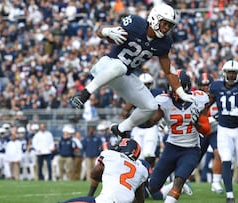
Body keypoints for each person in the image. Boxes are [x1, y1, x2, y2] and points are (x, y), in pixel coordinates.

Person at [70, 4, 196, 139]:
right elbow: (100, 32)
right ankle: (84, 93)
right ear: (154, 18)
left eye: (169, 26)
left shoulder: (164, 43)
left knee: (151, 106)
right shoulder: (135, 24)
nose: (166, 28)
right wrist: (107, 31)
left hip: (124, 75)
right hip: (106, 67)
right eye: (164, 24)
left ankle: (121, 128)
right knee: (120, 66)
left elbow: (168, 71)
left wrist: (180, 92)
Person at [144, 70, 209, 202]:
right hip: (171, 147)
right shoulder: (164, 101)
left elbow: (206, 130)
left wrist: (196, 123)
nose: (174, 90)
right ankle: (174, 186)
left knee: (178, 181)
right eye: (172, 86)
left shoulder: (199, 99)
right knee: (153, 187)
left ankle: (180, 184)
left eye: (177, 86)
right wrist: (145, 112)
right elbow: (150, 123)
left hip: (191, 149)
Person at [205, 60, 238, 203]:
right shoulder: (215, 87)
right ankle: (230, 196)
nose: (232, 75)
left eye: (234, 73)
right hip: (223, 129)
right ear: (224, 73)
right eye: (230, 72)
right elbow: (206, 105)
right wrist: (203, 118)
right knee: (226, 159)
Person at [61, 138, 148, 203]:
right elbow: (140, 199)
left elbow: (93, 174)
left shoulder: (110, 155)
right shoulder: (141, 169)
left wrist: (108, 176)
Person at [196, 73, 224, 194]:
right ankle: (180, 181)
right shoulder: (195, 98)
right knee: (193, 159)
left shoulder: (218, 95)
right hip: (201, 131)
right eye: (203, 85)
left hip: (214, 131)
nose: (206, 88)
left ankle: (216, 183)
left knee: (219, 153)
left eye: (207, 85)